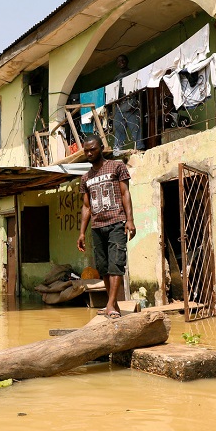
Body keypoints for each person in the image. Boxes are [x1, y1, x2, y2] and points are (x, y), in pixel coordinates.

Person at [76, 134, 135, 319]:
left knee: (116, 264)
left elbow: (125, 193)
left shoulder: (117, 166)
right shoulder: (85, 178)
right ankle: (113, 304)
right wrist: (82, 233)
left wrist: (130, 220)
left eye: (92, 149)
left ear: (101, 147)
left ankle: (109, 304)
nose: (89, 153)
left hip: (116, 222)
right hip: (97, 227)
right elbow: (86, 207)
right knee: (103, 268)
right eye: (86, 150)